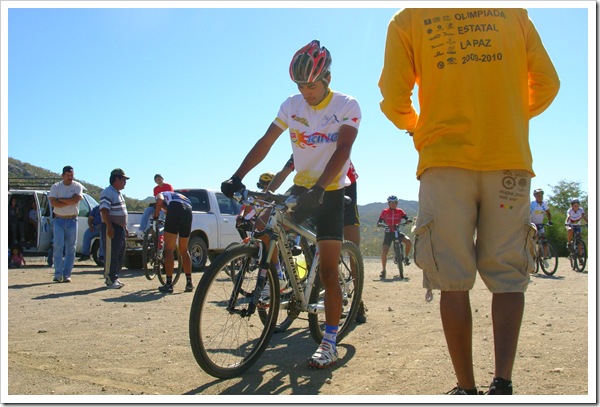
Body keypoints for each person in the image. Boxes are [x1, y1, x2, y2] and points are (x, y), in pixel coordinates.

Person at [379, 8, 560, 395]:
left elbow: (395, 98)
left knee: (453, 282)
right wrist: (506, 116)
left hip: (444, 164)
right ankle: (503, 384)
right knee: (509, 279)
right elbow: (548, 83)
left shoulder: (408, 19)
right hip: (509, 162)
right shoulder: (514, 14)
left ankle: (466, 389)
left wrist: (418, 126)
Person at [221, 39, 361, 369]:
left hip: (330, 192)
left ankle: (329, 342)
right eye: (300, 85)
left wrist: (321, 187)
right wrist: (237, 175)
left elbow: (343, 151)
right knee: (266, 228)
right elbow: (266, 141)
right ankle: (271, 283)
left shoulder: (346, 104)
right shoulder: (291, 105)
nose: (306, 91)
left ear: (326, 77)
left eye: (311, 84)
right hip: (301, 187)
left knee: (328, 270)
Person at [270, 155, 368, 324]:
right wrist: (266, 195)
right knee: (281, 220)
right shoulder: (304, 145)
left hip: (344, 187)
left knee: (353, 247)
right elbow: (284, 172)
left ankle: (357, 300)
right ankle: (297, 272)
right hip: (312, 188)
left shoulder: (328, 140)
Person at [154, 191, 194, 294]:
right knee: (184, 249)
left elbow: (160, 200)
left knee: (168, 249)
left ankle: (168, 284)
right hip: (188, 210)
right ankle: (189, 283)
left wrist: (156, 214)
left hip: (175, 208)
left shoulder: (162, 193)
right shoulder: (178, 196)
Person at [48, 165, 84, 283]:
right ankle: (58, 274)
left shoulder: (77, 186)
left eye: (72, 175)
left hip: (72, 219)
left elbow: (76, 200)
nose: (70, 178)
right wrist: (69, 200)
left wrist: (61, 199)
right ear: (63, 175)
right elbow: (53, 203)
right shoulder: (56, 186)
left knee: (71, 248)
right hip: (58, 219)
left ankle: (67, 274)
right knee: (58, 246)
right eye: (68, 175)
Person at [99, 168, 129, 289]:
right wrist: (109, 227)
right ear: (116, 179)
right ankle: (110, 279)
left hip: (119, 228)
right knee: (111, 254)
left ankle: (115, 277)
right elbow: (104, 210)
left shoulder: (118, 193)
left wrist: (124, 227)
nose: (125, 182)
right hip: (111, 227)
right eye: (123, 179)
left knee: (119, 253)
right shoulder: (107, 192)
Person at [377, 195, 412, 279]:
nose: (393, 204)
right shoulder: (385, 211)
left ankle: (406, 258)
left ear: (397, 203)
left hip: (397, 231)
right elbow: (380, 221)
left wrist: (407, 221)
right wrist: (380, 224)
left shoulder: (400, 211)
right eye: (391, 203)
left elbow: (406, 218)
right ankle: (383, 270)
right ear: (388, 203)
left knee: (408, 241)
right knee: (384, 252)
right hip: (388, 233)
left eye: (394, 203)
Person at [529, 188, 553, 268]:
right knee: (534, 240)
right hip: (532, 225)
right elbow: (527, 213)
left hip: (540, 224)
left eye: (541, 195)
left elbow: (548, 213)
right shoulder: (531, 204)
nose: (540, 197)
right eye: (538, 195)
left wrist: (549, 221)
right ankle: (533, 257)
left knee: (544, 241)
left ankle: (544, 258)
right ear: (535, 196)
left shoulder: (544, 204)